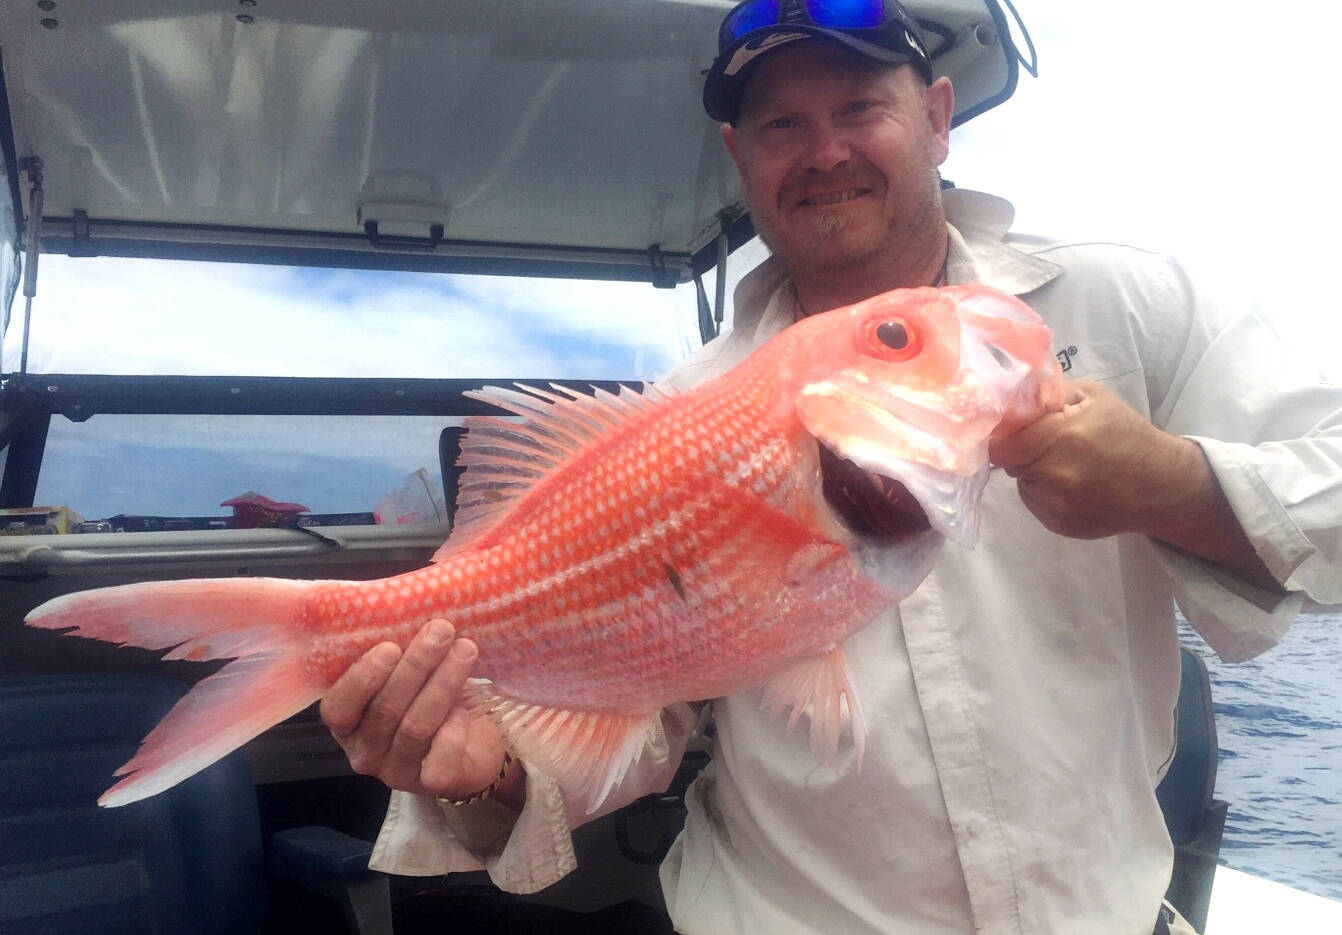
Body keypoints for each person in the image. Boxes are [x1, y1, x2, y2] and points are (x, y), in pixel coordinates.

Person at [320, 2, 1342, 932]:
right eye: (781, 125)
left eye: (860, 105)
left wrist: (1171, 483)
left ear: (937, 117)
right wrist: (485, 778)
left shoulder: (1124, 301)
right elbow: (627, 725)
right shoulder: (680, 414)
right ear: (739, 156)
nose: (825, 151)